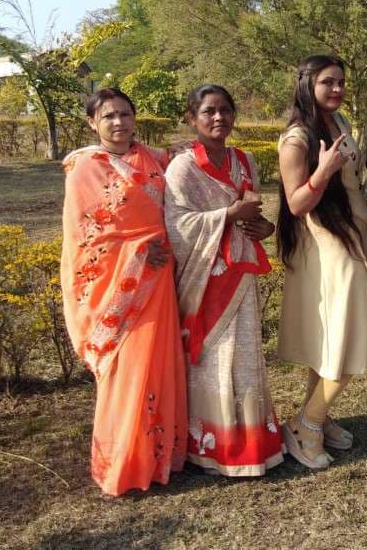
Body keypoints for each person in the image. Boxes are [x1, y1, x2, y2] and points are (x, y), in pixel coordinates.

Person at [60, 88, 187, 495]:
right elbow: (84, 240)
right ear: (92, 123)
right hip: (122, 287)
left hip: (160, 280)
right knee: (127, 372)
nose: (119, 122)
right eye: (109, 116)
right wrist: (135, 253)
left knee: (158, 365)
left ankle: (159, 456)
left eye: (125, 114)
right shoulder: (85, 170)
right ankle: (124, 464)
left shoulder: (152, 159)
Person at [276, 55, 367, 470]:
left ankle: (316, 417)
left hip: (352, 230)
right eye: (328, 82)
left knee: (329, 336)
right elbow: (296, 202)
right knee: (348, 332)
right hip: (325, 241)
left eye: (341, 81)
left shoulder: (339, 123)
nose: (337, 89)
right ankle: (307, 425)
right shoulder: (297, 139)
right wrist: (322, 171)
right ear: (307, 84)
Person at [165, 84, 284, 476]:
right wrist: (229, 214)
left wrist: (263, 226)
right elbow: (177, 227)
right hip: (205, 279)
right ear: (192, 118)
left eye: (225, 110)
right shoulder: (182, 167)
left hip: (241, 276)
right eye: (209, 111)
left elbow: (254, 216)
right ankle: (210, 446)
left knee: (246, 355)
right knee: (213, 357)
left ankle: (251, 443)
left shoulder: (245, 160)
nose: (219, 118)